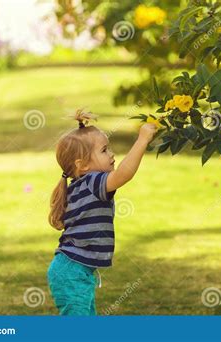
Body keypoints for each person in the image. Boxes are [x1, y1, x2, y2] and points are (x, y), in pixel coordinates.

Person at [46, 109, 157, 315]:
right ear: (83, 165)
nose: (112, 154)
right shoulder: (91, 182)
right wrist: (142, 140)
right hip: (72, 271)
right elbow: (123, 174)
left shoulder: (82, 184)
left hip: (74, 270)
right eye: (104, 150)